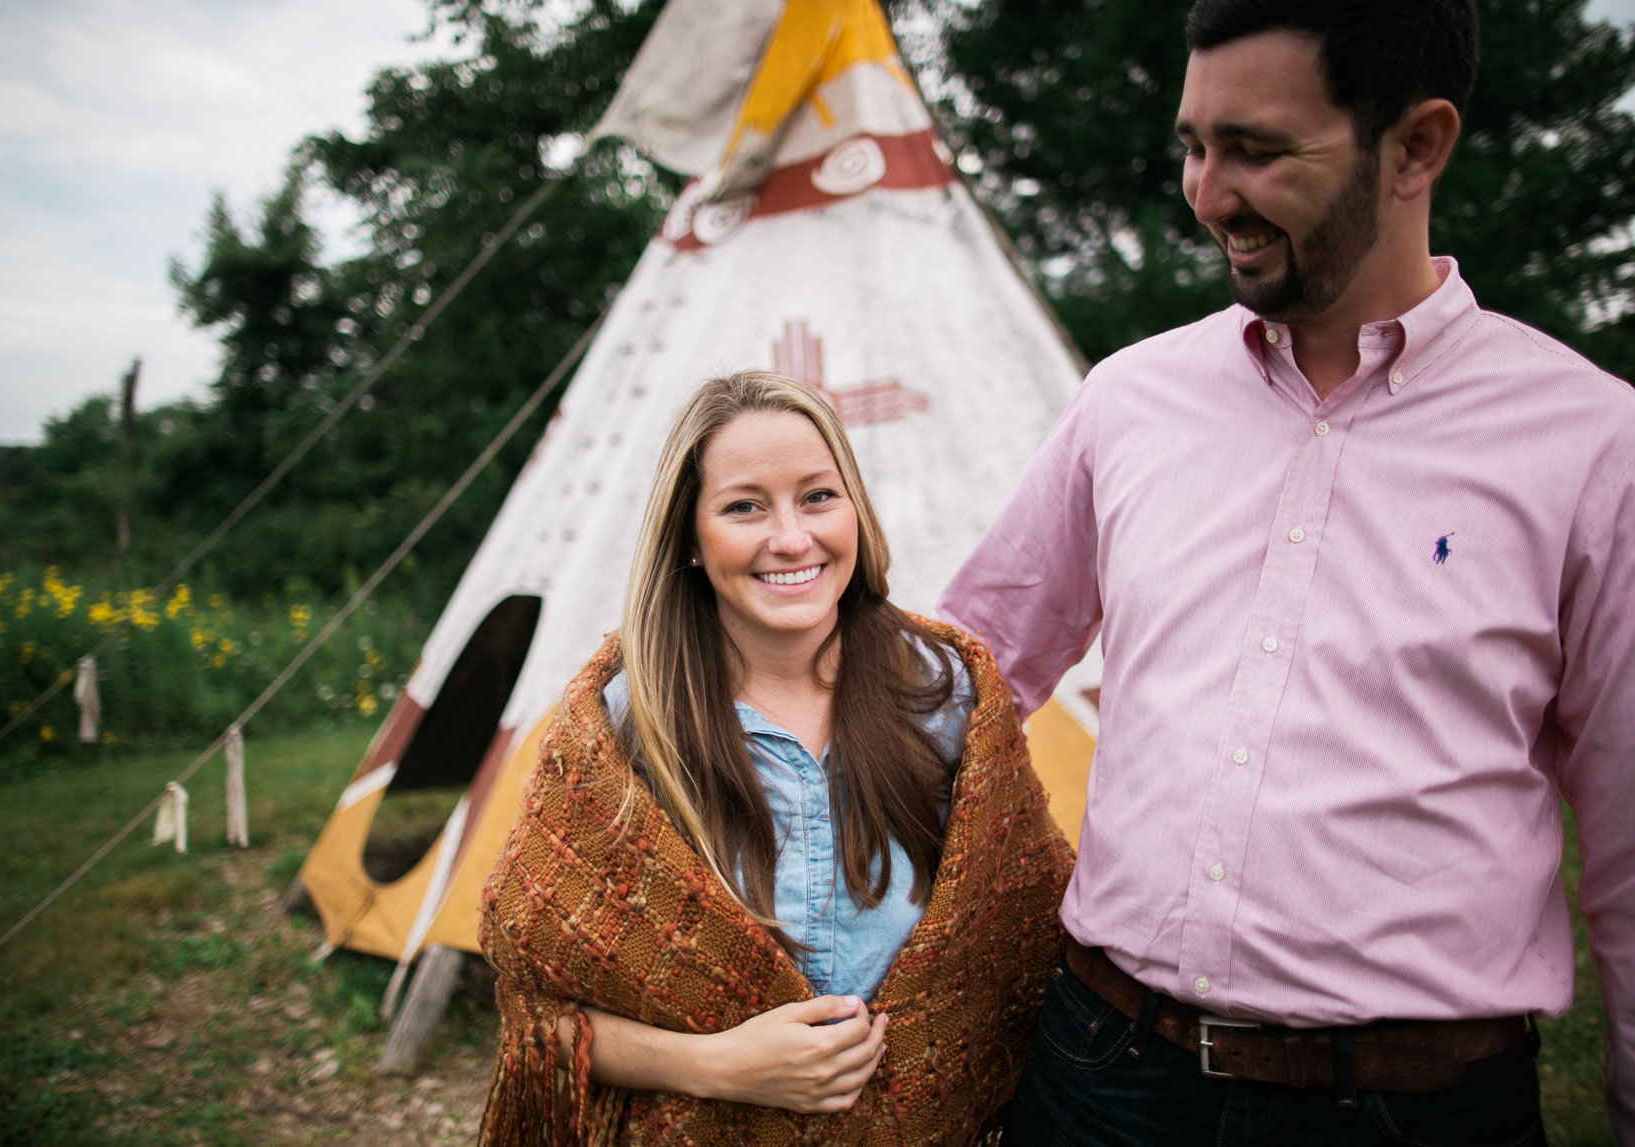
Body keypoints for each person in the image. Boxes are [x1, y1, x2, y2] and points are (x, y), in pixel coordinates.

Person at [939, 1, 1635, 1143]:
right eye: (1193, 147)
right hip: (1100, 1074)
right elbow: (961, 679)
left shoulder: (1591, 443)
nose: (1208, 195)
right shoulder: (1126, 400)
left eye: (1256, 150)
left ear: (1416, 146)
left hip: (1410, 1110)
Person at [478, 370, 1072, 1145]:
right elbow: (539, 1022)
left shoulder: (951, 696)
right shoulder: (622, 726)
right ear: (691, 536)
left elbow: (1019, 959)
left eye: (819, 496)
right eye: (744, 506)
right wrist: (720, 1064)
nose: (791, 537)